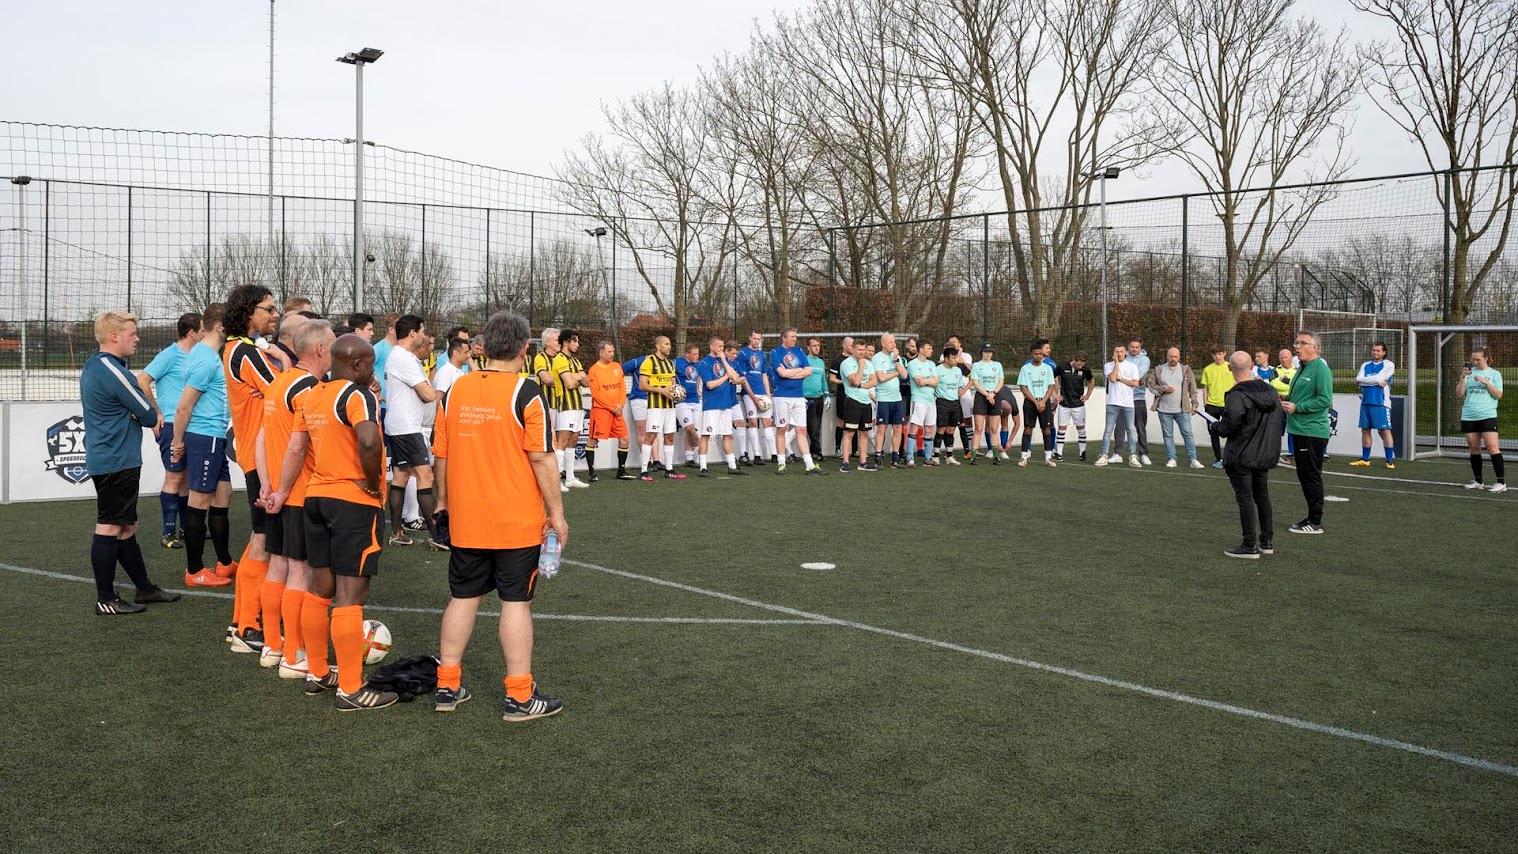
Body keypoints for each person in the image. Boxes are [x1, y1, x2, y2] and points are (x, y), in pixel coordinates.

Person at [427, 311, 568, 719]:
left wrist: (441, 503)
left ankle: (447, 687)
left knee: (462, 598)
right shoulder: (526, 393)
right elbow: (541, 458)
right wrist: (557, 514)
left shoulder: (455, 391)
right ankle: (520, 696)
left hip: (467, 519)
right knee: (515, 603)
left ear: (483, 347)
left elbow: (442, 455)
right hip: (515, 522)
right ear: (525, 349)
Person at [267, 333, 395, 710]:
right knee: (350, 595)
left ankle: (319, 672)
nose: (374, 371)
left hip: (315, 497)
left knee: (318, 587)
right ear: (356, 364)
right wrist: (373, 483)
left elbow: (297, 446)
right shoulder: (357, 396)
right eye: (370, 364)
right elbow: (369, 441)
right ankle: (352, 689)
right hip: (352, 501)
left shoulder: (313, 394)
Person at [81, 311, 181, 615]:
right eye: (132, 333)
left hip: (116, 457)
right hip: (114, 460)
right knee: (110, 526)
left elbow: (136, 411)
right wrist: (144, 413)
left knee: (126, 525)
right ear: (114, 336)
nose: (137, 338)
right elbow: (149, 416)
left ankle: (145, 588)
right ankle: (105, 599)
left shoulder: (100, 366)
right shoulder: (111, 370)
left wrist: (135, 413)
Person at [256, 318, 332, 674]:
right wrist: (281, 488)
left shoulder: (278, 382)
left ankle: (273, 646)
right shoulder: (308, 389)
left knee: (278, 567)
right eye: (333, 345)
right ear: (319, 349)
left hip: (278, 491)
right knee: (300, 572)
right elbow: (300, 447)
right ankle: (294, 655)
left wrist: (266, 485)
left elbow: (259, 437)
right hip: (300, 492)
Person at [221, 284, 289, 652]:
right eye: (268, 308)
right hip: (261, 459)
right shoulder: (244, 352)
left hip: (257, 455)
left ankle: (241, 622)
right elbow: (284, 392)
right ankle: (248, 627)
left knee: (259, 539)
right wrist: (289, 362)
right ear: (249, 312)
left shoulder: (241, 349)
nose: (273, 313)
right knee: (264, 540)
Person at [170, 306, 238, 593]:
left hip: (214, 437)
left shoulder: (209, 355)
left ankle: (224, 561)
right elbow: (184, 405)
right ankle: (195, 570)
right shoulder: (206, 360)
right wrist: (177, 441)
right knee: (199, 502)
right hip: (205, 437)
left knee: (223, 494)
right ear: (221, 326)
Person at [136, 312, 201, 549]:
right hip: (173, 425)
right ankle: (168, 533)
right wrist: (156, 413)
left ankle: (184, 529)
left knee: (184, 478)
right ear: (192, 332)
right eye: (202, 330)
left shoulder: (198, 356)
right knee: (174, 477)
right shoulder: (170, 354)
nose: (206, 334)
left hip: (192, 423)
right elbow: (142, 379)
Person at [1215, 351, 1284, 559]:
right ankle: (1267, 541)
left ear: (1230, 368)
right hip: (1263, 454)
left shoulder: (1236, 395)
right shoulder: (1270, 392)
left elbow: (1230, 426)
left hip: (1242, 455)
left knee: (1245, 499)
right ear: (1252, 365)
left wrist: (1215, 427)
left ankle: (1249, 544)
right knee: (1262, 496)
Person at [383, 315, 443, 546]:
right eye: (423, 330)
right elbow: (428, 395)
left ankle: (397, 532)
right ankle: (436, 536)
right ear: (413, 334)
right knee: (425, 476)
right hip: (407, 427)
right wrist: (441, 393)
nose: (425, 335)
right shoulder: (404, 359)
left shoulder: (400, 357)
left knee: (401, 475)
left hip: (399, 424)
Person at [1282, 331, 1334, 534]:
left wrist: (1297, 407)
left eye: (1303, 343)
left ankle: (1315, 521)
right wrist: (1287, 398)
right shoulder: (1303, 368)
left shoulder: (1320, 368)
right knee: (1305, 475)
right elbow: (1304, 395)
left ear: (1316, 348)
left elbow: (1324, 400)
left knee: (1311, 476)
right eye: (1296, 342)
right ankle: (1311, 518)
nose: (1297, 346)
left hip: (1312, 431)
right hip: (1300, 430)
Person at [767, 328, 826, 475]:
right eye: (792, 336)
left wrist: (789, 373)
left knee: (801, 430)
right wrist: (797, 372)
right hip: (782, 396)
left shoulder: (799, 351)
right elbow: (781, 373)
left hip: (799, 396)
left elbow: (808, 371)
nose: (795, 339)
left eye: (795, 336)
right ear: (784, 338)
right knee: (781, 429)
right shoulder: (776, 353)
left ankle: (809, 465)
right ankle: (781, 463)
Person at [696, 337, 748, 477]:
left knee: (727, 434)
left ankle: (732, 465)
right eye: (719, 346)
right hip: (712, 405)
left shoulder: (724, 361)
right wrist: (725, 377)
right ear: (712, 347)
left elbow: (736, 378)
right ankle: (703, 466)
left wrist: (724, 361)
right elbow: (710, 385)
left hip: (726, 404)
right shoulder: (704, 363)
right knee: (706, 435)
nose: (721, 349)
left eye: (722, 346)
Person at [638, 336, 687, 482]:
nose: (669, 346)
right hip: (655, 406)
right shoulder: (649, 362)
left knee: (669, 436)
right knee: (651, 436)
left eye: (670, 343)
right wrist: (662, 390)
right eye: (666, 344)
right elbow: (642, 385)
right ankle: (644, 471)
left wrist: (676, 394)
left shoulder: (670, 364)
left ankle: (669, 470)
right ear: (658, 346)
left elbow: (672, 385)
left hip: (670, 407)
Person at [1147, 346, 1205, 468]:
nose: (1173, 359)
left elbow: (1193, 389)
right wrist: (1163, 389)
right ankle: (1172, 459)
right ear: (1167, 356)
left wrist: (1194, 404)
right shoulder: (1159, 369)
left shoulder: (1186, 369)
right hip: (1163, 410)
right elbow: (1151, 385)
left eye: (1175, 356)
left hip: (1182, 409)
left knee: (1188, 433)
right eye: (1171, 356)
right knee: (1168, 435)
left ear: (1179, 357)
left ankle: (1193, 460)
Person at [1458, 347, 1506, 492]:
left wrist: (1486, 383)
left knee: (1492, 447)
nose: (1475, 362)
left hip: (1487, 415)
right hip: (1468, 415)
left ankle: (1501, 483)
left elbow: (1498, 395)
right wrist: (1462, 378)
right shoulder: (1469, 373)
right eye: (1473, 359)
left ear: (1486, 358)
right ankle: (1478, 481)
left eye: (1478, 359)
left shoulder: (1495, 374)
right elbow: (1459, 394)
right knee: (1474, 448)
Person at [586, 341, 636, 482]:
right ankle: (591, 472)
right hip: (601, 411)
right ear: (601, 352)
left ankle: (621, 471)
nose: (612, 354)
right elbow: (596, 394)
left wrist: (620, 404)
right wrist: (612, 407)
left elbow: (622, 387)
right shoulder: (593, 370)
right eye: (609, 351)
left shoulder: (616, 367)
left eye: (613, 351)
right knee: (593, 439)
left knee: (625, 439)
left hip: (617, 411)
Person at [549, 330, 590, 489]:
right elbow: (570, 384)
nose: (577, 345)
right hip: (566, 405)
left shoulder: (575, 361)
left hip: (578, 406)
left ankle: (570, 477)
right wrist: (579, 376)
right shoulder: (559, 359)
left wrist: (579, 377)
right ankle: (555, 480)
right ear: (566, 342)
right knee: (562, 442)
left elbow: (587, 383)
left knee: (573, 441)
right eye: (575, 341)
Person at [1352, 341, 1398, 469]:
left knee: (1384, 431)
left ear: (1384, 352)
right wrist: (1373, 381)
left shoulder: (1388, 364)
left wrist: (1364, 381)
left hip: (1381, 403)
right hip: (1366, 402)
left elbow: (1376, 379)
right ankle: (1365, 459)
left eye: (1378, 350)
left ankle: (1389, 461)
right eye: (1373, 350)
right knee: (1365, 430)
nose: (1375, 352)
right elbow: (1358, 379)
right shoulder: (1365, 365)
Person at [1095, 346, 1141, 468]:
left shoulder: (1132, 367)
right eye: (1117, 352)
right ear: (1113, 353)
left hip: (1128, 404)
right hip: (1112, 402)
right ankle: (1104, 455)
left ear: (1125, 353)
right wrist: (1116, 363)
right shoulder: (1108, 365)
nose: (1119, 354)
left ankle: (1133, 456)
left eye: (1121, 352)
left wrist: (1121, 378)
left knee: (1131, 430)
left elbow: (1135, 383)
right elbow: (1112, 379)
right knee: (1108, 430)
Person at [867, 333, 909, 467]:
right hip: (883, 398)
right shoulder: (877, 358)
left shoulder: (896, 358)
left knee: (897, 428)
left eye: (894, 342)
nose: (894, 345)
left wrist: (896, 361)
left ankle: (895, 458)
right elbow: (881, 378)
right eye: (891, 342)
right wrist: (896, 373)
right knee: (882, 428)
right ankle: (878, 456)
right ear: (883, 344)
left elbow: (905, 375)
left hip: (897, 398)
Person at [837, 341, 879, 472]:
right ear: (853, 350)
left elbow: (874, 381)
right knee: (849, 433)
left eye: (864, 350)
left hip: (866, 402)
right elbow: (854, 381)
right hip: (852, 402)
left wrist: (861, 385)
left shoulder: (869, 363)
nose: (862, 352)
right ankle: (845, 462)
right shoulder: (846, 363)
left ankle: (863, 462)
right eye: (859, 350)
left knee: (864, 433)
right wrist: (860, 367)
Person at [737, 331, 776, 465]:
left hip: (762, 393)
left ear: (761, 339)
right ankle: (757, 455)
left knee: (767, 423)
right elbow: (742, 378)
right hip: (749, 393)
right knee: (753, 422)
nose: (756, 341)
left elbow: (764, 376)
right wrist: (752, 396)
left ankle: (774, 454)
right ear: (749, 338)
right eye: (754, 338)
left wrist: (768, 394)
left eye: (758, 339)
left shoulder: (762, 355)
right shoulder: (742, 354)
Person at [1111, 337, 1152, 464]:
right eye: (1132, 347)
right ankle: (1117, 453)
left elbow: (1137, 376)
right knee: (1119, 427)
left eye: (1137, 347)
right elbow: (1114, 374)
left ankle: (1143, 454)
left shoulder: (1145, 360)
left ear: (1140, 348)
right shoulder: (1121, 356)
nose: (1134, 349)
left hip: (1138, 398)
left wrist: (1121, 378)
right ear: (1128, 347)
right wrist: (1128, 379)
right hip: (1121, 399)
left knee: (1140, 427)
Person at [1016, 342, 1057, 467]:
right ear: (1031, 354)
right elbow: (1023, 387)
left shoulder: (1048, 368)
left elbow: (1051, 386)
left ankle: (1048, 457)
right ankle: (1024, 457)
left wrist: (1044, 401)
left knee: (1046, 429)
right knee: (1028, 428)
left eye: (1040, 354)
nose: (1038, 356)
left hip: (1044, 402)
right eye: (1036, 354)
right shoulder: (1025, 368)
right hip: (1030, 402)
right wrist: (1035, 401)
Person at [968, 344, 1005, 464]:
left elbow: (1000, 381)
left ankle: (996, 456)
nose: (988, 354)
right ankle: (973, 455)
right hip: (981, 397)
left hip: (995, 396)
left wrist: (993, 393)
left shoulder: (997, 365)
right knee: (978, 428)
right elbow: (975, 382)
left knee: (994, 428)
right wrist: (987, 394)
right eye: (985, 351)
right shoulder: (976, 365)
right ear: (981, 352)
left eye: (990, 351)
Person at [1054, 352, 1094, 462]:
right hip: (1064, 404)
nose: (1080, 366)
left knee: (1081, 428)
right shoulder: (1062, 367)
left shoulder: (1085, 370)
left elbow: (1091, 381)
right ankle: (1059, 453)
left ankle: (1082, 453)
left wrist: (1087, 395)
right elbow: (1051, 378)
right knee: (1062, 428)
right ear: (1074, 360)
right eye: (1078, 364)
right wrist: (1055, 394)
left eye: (1082, 364)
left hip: (1078, 405)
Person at [1199, 345, 1235, 468]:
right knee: (1213, 433)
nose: (1217, 356)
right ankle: (1218, 459)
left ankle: (1230, 458)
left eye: (1220, 353)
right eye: (1215, 354)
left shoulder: (1231, 367)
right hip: (1211, 406)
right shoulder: (1207, 369)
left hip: (1228, 406)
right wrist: (1205, 404)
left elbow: (1237, 383)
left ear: (1224, 353)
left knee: (1231, 432)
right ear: (1212, 355)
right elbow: (1205, 388)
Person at [906, 340, 939, 466]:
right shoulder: (913, 364)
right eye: (929, 348)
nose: (931, 350)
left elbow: (936, 381)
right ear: (921, 349)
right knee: (914, 427)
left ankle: (928, 457)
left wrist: (926, 381)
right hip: (918, 399)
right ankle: (909, 457)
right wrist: (929, 380)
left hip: (931, 400)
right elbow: (918, 382)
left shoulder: (931, 364)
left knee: (929, 428)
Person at [933, 347, 967, 465]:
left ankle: (949, 456)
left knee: (951, 429)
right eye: (953, 358)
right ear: (946, 359)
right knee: (941, 429)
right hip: (942, 402)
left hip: (955, 403)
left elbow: (960, 388)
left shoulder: (958, 371)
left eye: (956, 357)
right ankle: (935, 456)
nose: (956, 360)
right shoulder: (937, 370)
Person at [674, 343, 704, 467]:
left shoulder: (699, 364)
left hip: (696, 401)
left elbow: (698, 379)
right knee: (689, 428)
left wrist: (698, 389)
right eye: (694, 354)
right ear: (687, 354)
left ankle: (689, 458)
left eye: (698, 354)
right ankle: (702, 451)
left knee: (693, 430)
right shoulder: (676, 363)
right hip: (682, 402)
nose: (697, 356)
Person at [1268, 347, 1298, 464]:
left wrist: (1283, 381)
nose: (1283, 359)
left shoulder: (1297, 370)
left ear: (1291, 358)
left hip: (1292, 403)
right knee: (1277, 430)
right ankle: (1275, 453)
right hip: (1278, 404)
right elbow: (1272, 383)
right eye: (1281, 357)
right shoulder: (1274, 370)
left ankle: (1292, 452)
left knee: (1293, 428)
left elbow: (1295, 386)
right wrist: (1288, 383)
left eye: (1286, 357)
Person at [802, 337, 829, 461]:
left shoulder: (821, 362)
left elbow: (823, 380)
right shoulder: (804, 361)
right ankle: (817, 452)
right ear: (808, 347)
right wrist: (801, 396)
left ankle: (814, 452)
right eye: (814, 345)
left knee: (817, 426)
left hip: (819, 398)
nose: (817, 348)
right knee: (812, 426)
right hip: (808, 398)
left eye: (818, 345)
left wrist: (827, 394)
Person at [828, 336, 854, 458]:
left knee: (855, 421)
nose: (852, 347)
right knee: (841, 421)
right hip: (843, 395)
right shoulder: (837, 360)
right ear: (844, 346)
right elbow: (832, 379)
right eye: (850, 345)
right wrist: (845, 382)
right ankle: (838, 448)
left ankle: (854, 450)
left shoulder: (857, 360)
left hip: (856, 395)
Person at [623, 349, 650, 446]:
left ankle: (656, 460)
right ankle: (646, 460)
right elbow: (621, 370)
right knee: (642, 430)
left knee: (652, 431)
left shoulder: (661, 364)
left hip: (654, 400)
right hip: (638, 398)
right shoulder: (638, 362)